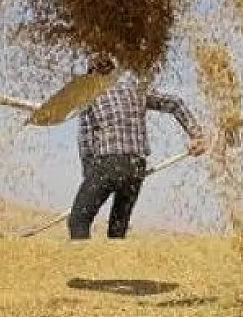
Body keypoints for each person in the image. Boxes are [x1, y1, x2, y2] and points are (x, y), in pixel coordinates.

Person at [68, 54, 206, 240]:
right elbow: (175, 103)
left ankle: (82, 266)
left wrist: (89, 176)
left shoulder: (89, 96)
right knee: (118, 227)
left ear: (91, 74)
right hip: (136, 166)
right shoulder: (134, 90)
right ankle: (115, 265)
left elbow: (86, 142)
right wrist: (196, 134)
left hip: (107, 163)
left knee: (79, 220)